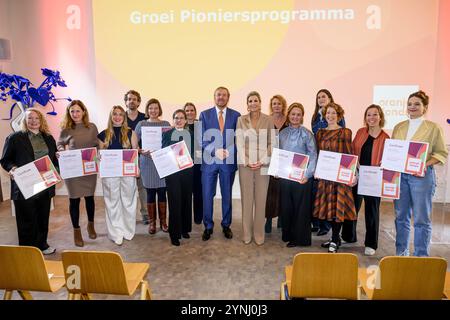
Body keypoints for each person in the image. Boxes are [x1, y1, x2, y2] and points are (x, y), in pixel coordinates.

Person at [392, 90, 447, 256]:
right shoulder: (399, 127)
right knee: (401, 216)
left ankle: (421, 255)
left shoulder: (433, 128)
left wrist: (425, 165)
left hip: (421, 178)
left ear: (425, 107)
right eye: (409, 104)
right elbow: (394, 151)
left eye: (417, 104)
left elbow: (441, 153)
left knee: (421, 218)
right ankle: (401, 252)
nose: (412, 107)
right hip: (401, 177)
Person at [0, 108, 58, 255]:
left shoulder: (49, 138)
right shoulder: (14, 138)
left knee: (43, 217)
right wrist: (12, 169)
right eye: (30, 118)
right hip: (25, 184)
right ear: (25, 121)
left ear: (41, 120)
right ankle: (28, 251)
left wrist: (59, 160)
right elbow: (5, 160)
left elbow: (54, 160)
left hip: (45, 183)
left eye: (36, 118)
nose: (33, 121)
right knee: (26, 219)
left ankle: (42, 245)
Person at [342, 105, 389, 256]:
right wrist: (356, 167)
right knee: (351, 206)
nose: (372, 118)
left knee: (372, 211)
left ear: (380, 117)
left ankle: (371, 244)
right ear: (365, 118)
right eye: (368, 115)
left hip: (374, 179)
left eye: (375, 114)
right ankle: (348, 237)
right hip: (357, 174)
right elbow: (353, 151)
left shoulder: (385, 137)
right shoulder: (361, 132)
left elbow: (387, 160)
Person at [313, 102, 356, 253]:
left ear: (339, 115)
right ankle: (334, 238)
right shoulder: (320, 133)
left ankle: (336, 238)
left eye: (333, 113)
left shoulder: (346, 132)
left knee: (338, 208)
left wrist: (352, 174)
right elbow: (317, 154)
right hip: (325, 177)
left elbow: (350, 154)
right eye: (328, 113)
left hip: (339, 177)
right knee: (329, 209)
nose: (330, 116)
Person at [199, 86, 241, 241]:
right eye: (218, 95)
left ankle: (226, 225)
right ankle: (208, 226)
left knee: (227, 195)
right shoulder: (204, 115)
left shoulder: (236, 116)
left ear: (228, 97)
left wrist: (231, 150)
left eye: (224, 95)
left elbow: (240, 138)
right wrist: (214, 150)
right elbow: (200, 138)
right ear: (214, 97)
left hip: (228, 161)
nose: (221, 97)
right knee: (207, 194)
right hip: (209, 161)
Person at [57, 100, 99, 247]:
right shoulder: (66, 129)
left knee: (89, 198)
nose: (75, 114)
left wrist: (99, 152)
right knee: (74, 200)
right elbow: (60, 144)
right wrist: (61, 151)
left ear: (83, 112)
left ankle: (91, 225)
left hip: (88, 168)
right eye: (72, 111)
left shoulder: (92, 127)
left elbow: (97, 144)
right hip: (73, 170)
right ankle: (77, 231)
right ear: (69, 113)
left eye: (77, 111)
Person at [236, 91, 274, 245]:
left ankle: (259, 234)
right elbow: (238, 142)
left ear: (260, 102)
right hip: (246, 165)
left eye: (256, 100)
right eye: (250, 100)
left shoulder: (268, 120)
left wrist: (263, 160)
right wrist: (246, 161)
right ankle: (246, 234)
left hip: (263, 165)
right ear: (247, 104)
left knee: (260, 200)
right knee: (246, 199)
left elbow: (273, 143)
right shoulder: (241, 120)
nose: (253, 103)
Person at [98, 106, 139, 246]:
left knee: (129, 201)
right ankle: (116, 232)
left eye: (120, 114)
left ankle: (128, 230)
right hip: (110, 174)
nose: (117, 117)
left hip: (127, 172)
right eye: (114, 114)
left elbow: (135, 152)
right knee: (112, 202)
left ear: (124, 117)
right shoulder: (103, 135)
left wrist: (136, 168)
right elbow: (100, 155)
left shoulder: (131, 133)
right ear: (111, 116)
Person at [279, 103, 317, 247]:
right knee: (287, 207)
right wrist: (277, 170)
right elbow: (278, 154)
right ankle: (287, 234)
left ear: (302, 117)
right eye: (293, 114)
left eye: (298, 114)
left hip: (302, 179)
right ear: (288, 115)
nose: (295, 117)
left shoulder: (307, 134)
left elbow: (313, 155)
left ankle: (299, 238)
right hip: (285, 177)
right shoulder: (282, 134)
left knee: (300, 209)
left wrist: (307, 175)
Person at [310, 89, 346, 236]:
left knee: (329, 193)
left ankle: (326, 226)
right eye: (318, 97)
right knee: (319, 193)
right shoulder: (315, 116)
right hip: (319, 157)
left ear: (330, 98)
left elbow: (340, 138)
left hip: (332, 161)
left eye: (323, 96)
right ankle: (317, 222)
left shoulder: (336, 115)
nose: (321, 99)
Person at [135, 98, 170, 234]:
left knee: (162, 192)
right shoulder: (141, 124)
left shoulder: (165, 124)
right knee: (150, 193)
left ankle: (163, 222)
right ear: (147, 110)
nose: (153, 111)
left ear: (159, 109)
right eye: (150, 108)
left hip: (162, 163)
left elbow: (169, 143)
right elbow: (134, 142)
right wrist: (139, 150)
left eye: (155, 108)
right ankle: (152, 223)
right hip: (147, 162)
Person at [162, 109, 194, 246]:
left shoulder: (191, 134)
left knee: (186, 200)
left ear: (186, 120)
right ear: (173, 120)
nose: (179, 120)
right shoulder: (167, 134)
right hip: (173, 172)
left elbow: (194, 152)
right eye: (176, 118)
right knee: (175, 202)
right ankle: (174, 234)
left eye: (181, 118)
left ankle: (184, 229)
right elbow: (163, 150)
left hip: (187, 171)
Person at [124, 90, 149, 224]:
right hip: (125, 159)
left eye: (134, 99)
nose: (131, 101)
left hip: (142, 158)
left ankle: (145, 214)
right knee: (127, 188)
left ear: (139, 102)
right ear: (126, 102)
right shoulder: (119, 117)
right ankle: (128, 216)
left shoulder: (145, 118)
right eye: (129, 99)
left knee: (142, 187)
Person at [264, 95, 288, 234]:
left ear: (283, 105)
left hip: (285, 159)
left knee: (283, 190)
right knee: (269, 192)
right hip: (270, 159)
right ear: (271, 106)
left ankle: (281, 218)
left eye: (279, 103)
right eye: (274, 103)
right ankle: (268, 220)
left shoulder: (288, 119)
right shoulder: (266, 120)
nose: (276, 106)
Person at [184, 102, 203, 225]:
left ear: (195, 112)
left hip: (198, 164)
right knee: (186, 192)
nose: (189, 112)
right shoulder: (180, 126)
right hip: (184, 164)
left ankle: (198, 216)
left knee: (198, 191)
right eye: (187, 111)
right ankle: (186, 217)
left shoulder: (200, 125)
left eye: (192, 110)